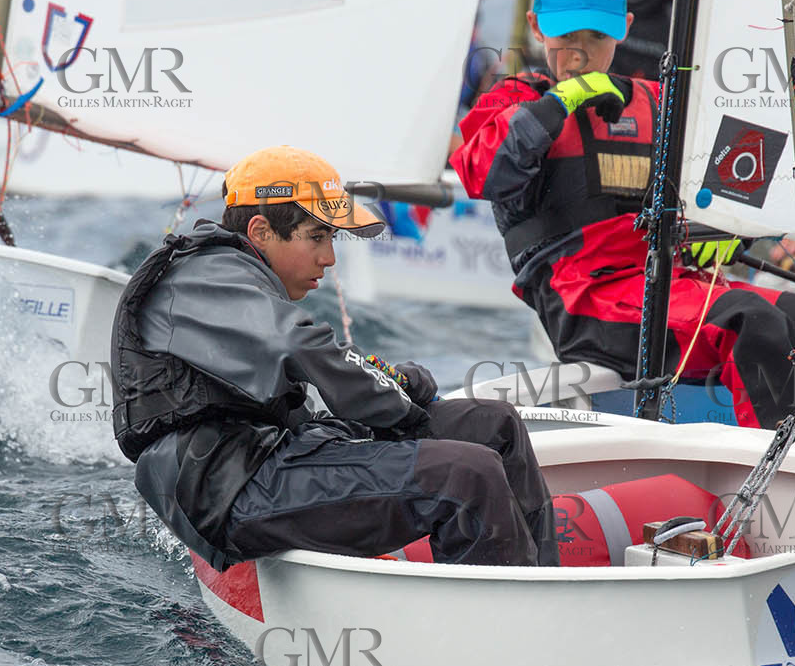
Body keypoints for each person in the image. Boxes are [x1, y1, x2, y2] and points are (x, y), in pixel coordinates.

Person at [451, 0, 795, 434]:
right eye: (566, 36)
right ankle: (784, 468)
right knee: (751, 320)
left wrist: (730, 225)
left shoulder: (655, 102)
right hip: (583, 303)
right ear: (536, 27)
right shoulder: (514, 100)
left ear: (624, 28)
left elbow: (737, 175)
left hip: (670, 286)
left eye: (595, 36)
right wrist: (561, 104)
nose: (579, 53)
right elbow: (483, 171)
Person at [112, 145, 560, 571]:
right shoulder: (206, 274)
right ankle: (510, 627)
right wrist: (402, 403)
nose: (328, 258)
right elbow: (300, 346)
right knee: (468, 474)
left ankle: (544, 588)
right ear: (261, 232)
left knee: (495, 426)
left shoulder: (237, 280)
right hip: (227, 491)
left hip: (274, 453)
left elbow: (316, 366)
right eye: (317, 237)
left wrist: (394, 390)